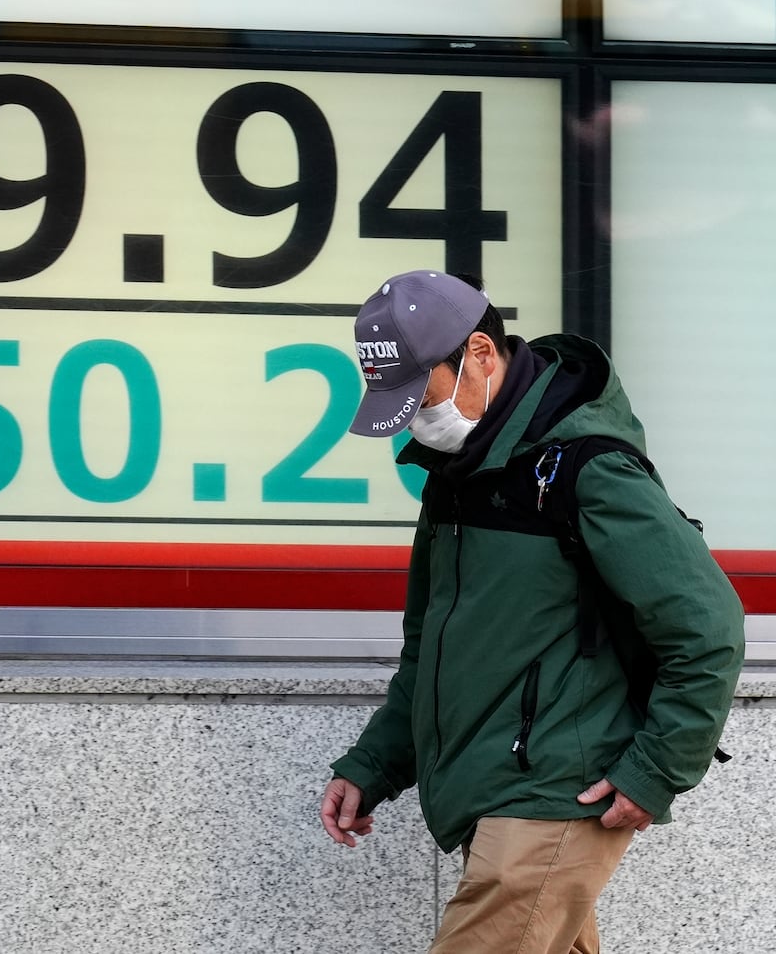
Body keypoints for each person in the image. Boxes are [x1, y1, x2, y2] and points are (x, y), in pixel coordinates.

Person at [319, 269, 744, 953]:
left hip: (552, 796)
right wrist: (374, 762)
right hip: (494, 798)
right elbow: (431, 650)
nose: (419, 419)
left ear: (481, 354)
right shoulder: (456, 476)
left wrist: (655, 769)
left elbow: (710, 625)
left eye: (422, 395)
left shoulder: (587, 467)